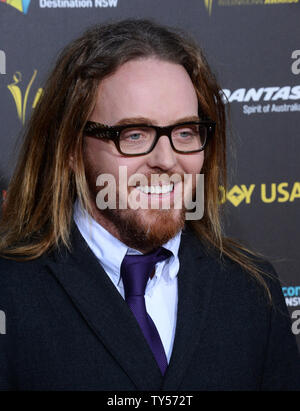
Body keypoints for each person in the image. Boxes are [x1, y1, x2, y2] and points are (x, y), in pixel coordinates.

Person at [0, 19, 299, 391]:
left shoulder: (252, 289)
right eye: (135, 134)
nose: (167, 159)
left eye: (185, 132)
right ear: (71, 150)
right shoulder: (10, 294)